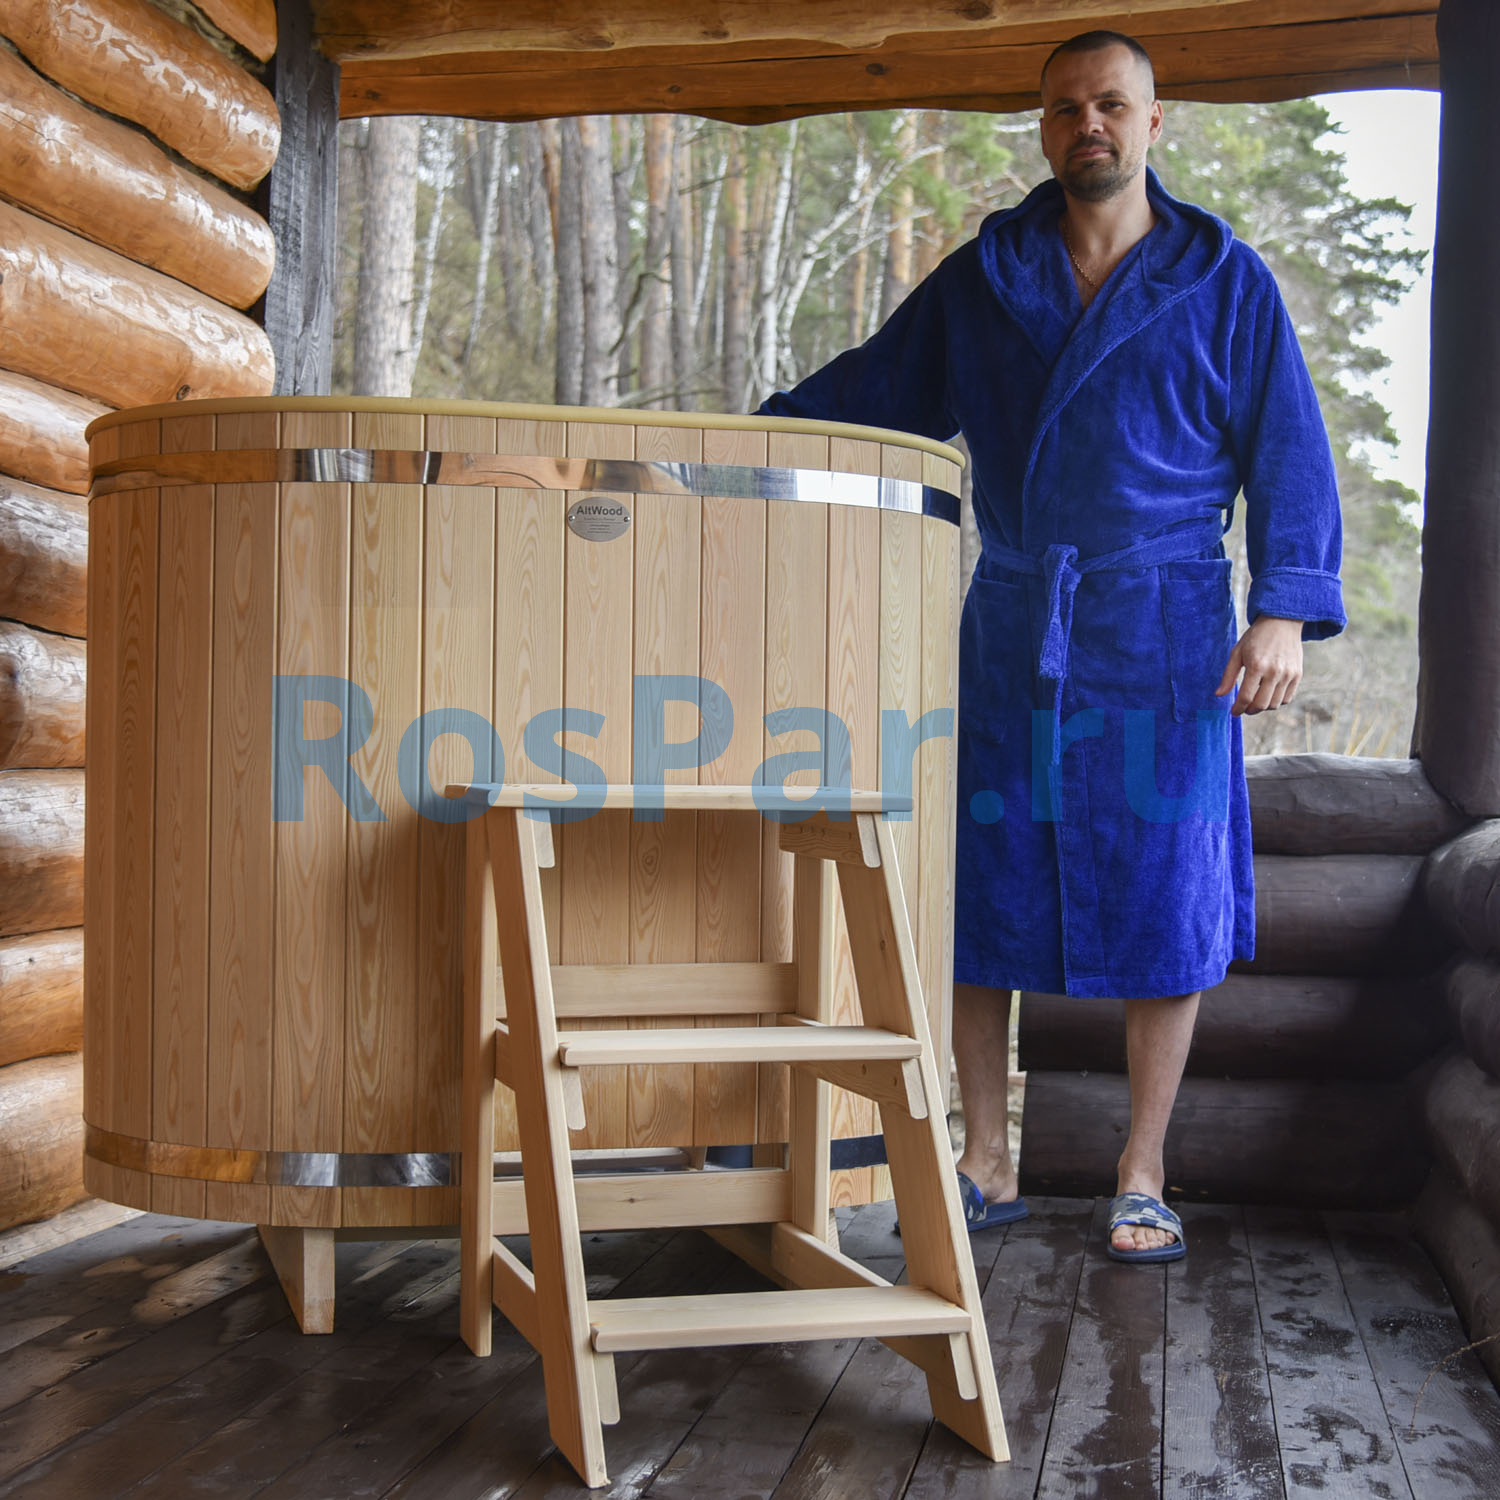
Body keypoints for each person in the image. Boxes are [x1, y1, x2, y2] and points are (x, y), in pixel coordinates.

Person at [759, 30, 1343, 1262]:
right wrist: (743, 445)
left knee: (1165, 892)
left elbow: (1290, 448)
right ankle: (985, 1156)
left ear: (1153, 121)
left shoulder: (1224, 279)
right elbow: (870, 392)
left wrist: (1284, 609)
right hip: (1017, 620)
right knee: (986, 882)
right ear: (1043, 128)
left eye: (1112, 104)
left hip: (1167, 633)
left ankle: (1143, 1171)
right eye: (1068, 108)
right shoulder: (985, 280)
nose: (1091, 125)